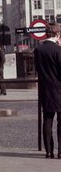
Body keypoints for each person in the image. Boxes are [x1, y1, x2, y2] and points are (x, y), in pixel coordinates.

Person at [33, 23, 61, 158]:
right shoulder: (58, 50)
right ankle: (60, 151)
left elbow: (37, 69)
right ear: (57, 34)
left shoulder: (38, 50)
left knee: (47, 121)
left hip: (45, 89)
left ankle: (49, 151)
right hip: (59, 89)